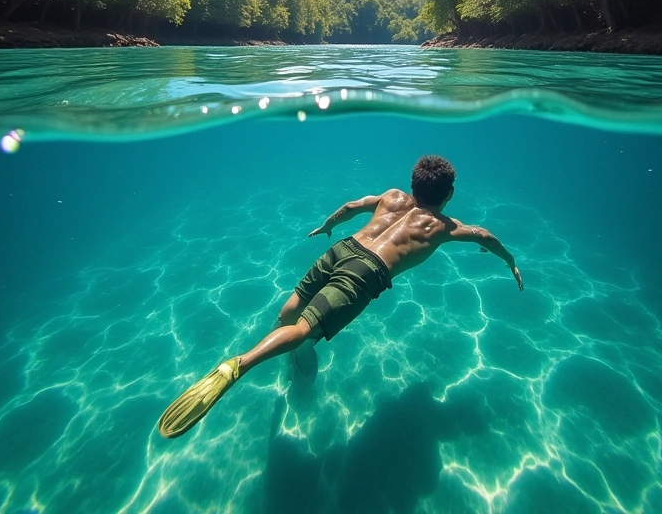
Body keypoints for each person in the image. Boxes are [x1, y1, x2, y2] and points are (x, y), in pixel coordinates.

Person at [158, 155, 523, 438]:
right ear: (449, 194)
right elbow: (484, 236)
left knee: (289, 313)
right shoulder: (442, 226)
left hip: (344, 249)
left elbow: (351, 207)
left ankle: (290, 352)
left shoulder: (393, 196)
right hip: (365, 273)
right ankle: (239, 365)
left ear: (414, 183)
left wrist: (328, 226)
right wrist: (510, 262)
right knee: (303, 331)